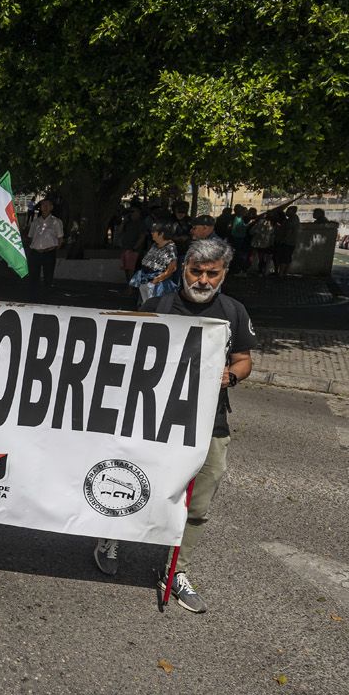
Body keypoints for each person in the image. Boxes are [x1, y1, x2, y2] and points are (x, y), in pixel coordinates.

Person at [94, 238, 254, 613]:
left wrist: (230, 375)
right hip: (152, 421)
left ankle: (175, 570)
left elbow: (244, 360)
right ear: (183, 269)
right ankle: (110, 539)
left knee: (198, 503)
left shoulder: (233, 311)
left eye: (212, 273)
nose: (203, 280)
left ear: (224, 274)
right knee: (130, 484)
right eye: (196, 271)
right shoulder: (158, 307)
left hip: (209, 423)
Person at [130, 220, 179, 304]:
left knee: (153, 305)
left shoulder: (170, 248)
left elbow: (172, 268)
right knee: (145, 304)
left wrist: (155, 281)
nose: (151, 233)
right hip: (146, 280)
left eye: (154, 231)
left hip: (157, 284)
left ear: (161, 234)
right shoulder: (154, 245)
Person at [24, 198, 63, 300]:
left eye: (47, 205)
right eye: (43, 205)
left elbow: (60, 239)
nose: (45, 207)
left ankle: (46, 299)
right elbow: (30, 237)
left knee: (48, 277)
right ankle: (32, 298)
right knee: (33, 277)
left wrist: (53, 250)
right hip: (35, 253)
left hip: (48, 253)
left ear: (51, 207)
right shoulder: (35, 222)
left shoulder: (56, 221)